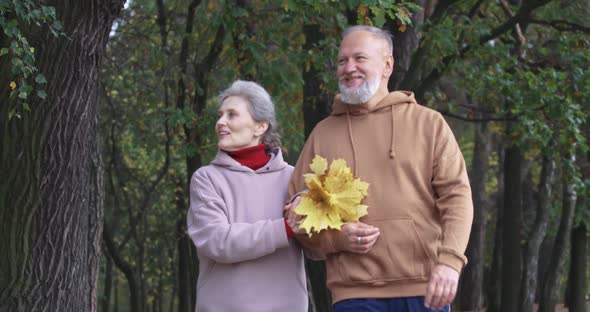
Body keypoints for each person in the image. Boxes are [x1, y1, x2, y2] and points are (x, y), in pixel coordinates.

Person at [286, 25, 473, 312]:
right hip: (354, 294)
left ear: (387, 65)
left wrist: (450, 261)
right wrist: (336, 239)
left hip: (425, 290)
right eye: (342, 61)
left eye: (359, 58)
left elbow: (458, 198)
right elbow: (296, 218)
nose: (349, 68)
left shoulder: (429, 124)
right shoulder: (322, 135)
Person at [187, 80, 308, 312]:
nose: (220, 122)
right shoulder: (206, 179)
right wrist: (284, 229)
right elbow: (217, 241)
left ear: (260, 126)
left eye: (232, 115)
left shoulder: (294, 178)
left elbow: (316, 250)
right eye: (220, 115)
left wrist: (317, 218)